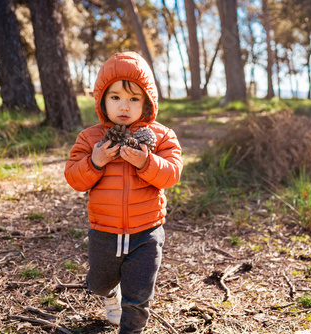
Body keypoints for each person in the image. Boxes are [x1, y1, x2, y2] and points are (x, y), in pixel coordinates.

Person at [64, 52, 183, 334]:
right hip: (104, 230)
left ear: (147, 102)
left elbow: (172, 173)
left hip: (147, 231)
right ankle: (109, 294)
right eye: (115, 97)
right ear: (102, 101)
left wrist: (146, 162)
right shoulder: (91, 138)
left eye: (133, 98)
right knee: (99, 283)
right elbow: (74, 178)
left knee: (139, 295)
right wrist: (95, 162)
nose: (124, 106)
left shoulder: (161, 136)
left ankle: (131, 330)